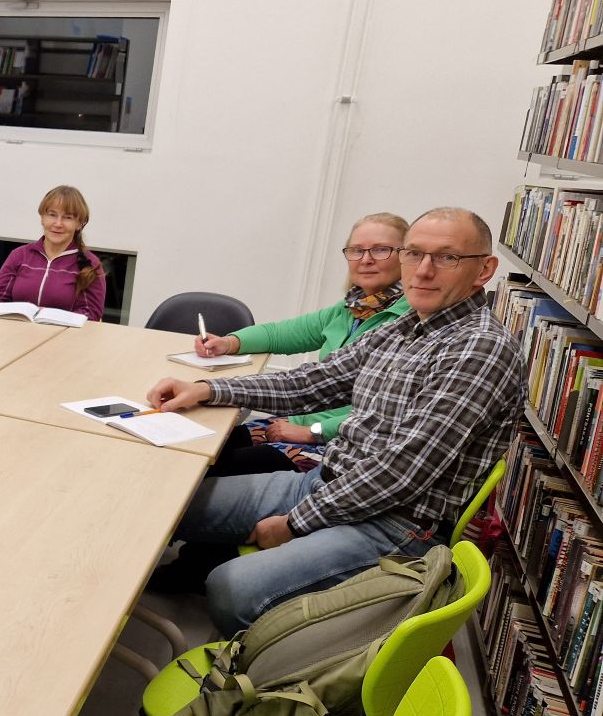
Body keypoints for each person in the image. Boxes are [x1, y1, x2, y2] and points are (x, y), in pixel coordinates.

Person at [145, 207, 524, 636]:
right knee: (169, 506)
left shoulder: (479, 349)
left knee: (231, 589)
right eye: (414, 253)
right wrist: (207, 389)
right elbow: (311, 383)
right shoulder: (403, 327)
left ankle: (268, 667)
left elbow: (401, 472)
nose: (423, 270)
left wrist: (296, 523)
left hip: (395, 525)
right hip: (328, 483)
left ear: (484, 270)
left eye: (446, 257)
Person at [197, 213, 411, 477]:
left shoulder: (407, 322)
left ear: (406, 256)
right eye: (357, 250)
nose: (366, 259)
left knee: (209, 470)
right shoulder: (351, 308)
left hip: (340, 445)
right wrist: (229, 342)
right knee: (204, 446)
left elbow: (385, 414)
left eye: (380, 250)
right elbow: (280, 333)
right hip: (300, 421)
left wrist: (312, 431)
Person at [0, 185, 106, 321]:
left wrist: (48, 319)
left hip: (64, 334)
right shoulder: (19, 255)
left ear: (79, 224)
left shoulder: (91, 264)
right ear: (42, 218)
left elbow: (90, 314)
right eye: (52, 215)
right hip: (15, 331)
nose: (58, 223)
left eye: (67, 217)